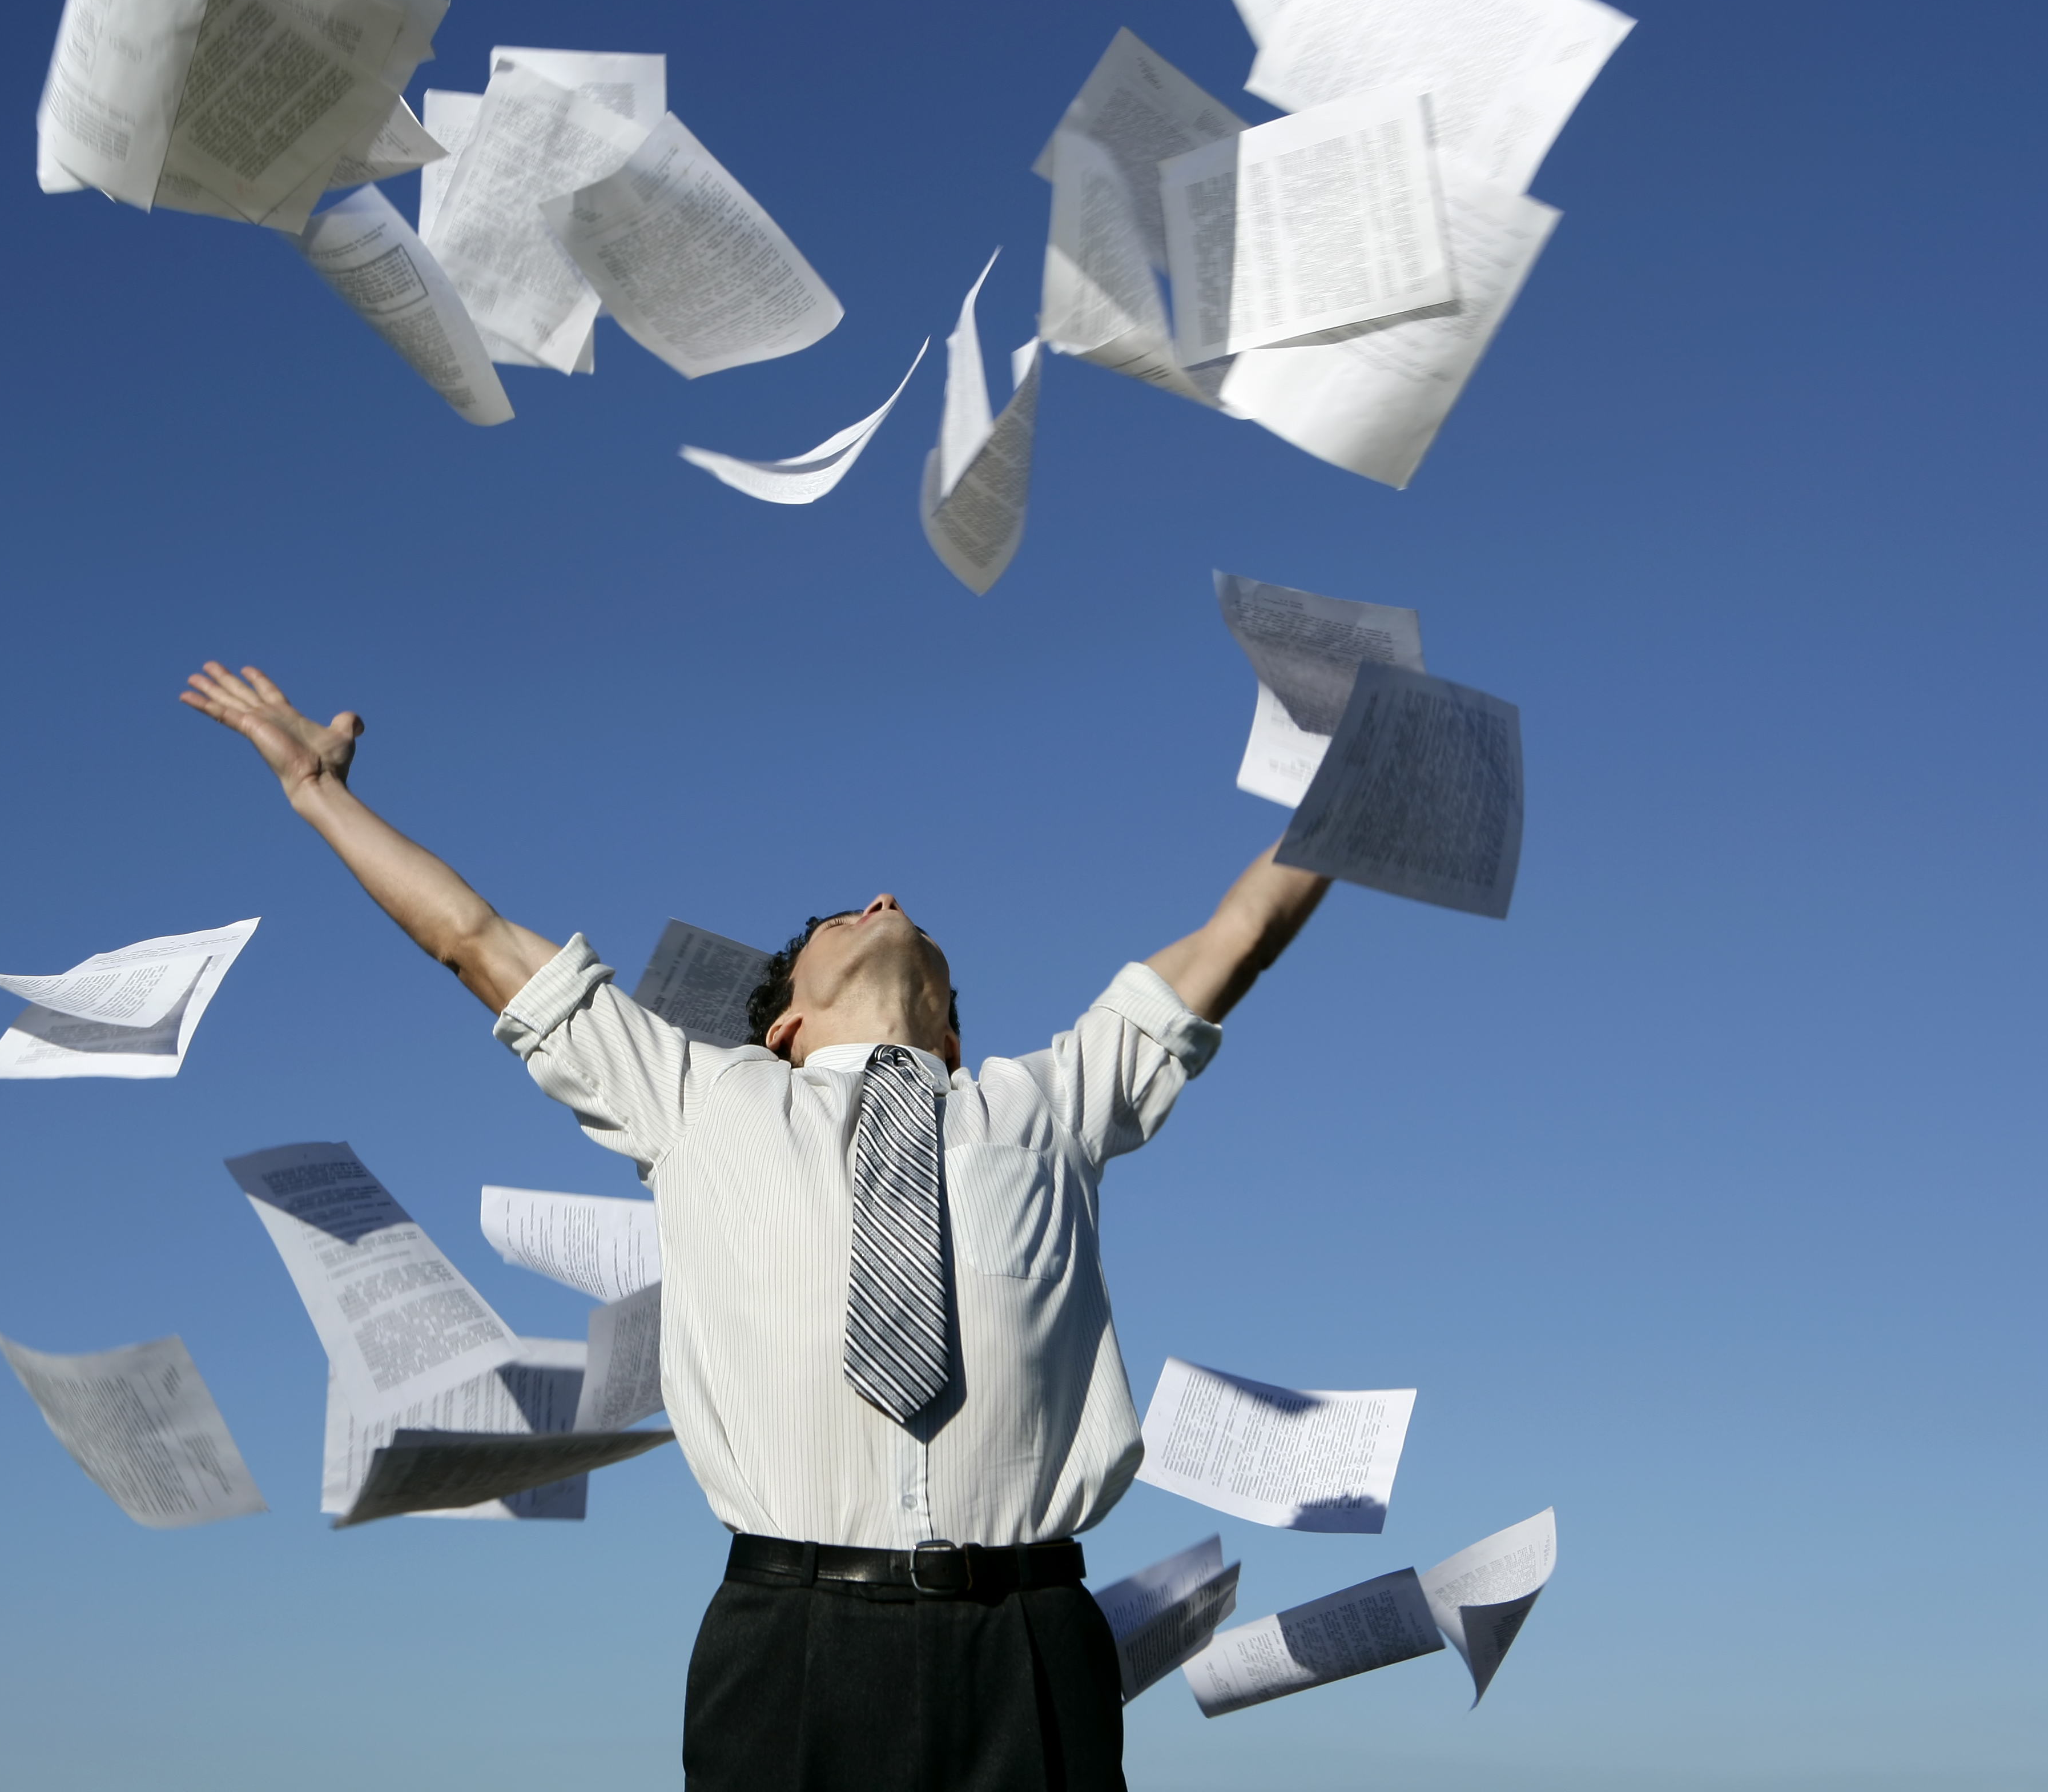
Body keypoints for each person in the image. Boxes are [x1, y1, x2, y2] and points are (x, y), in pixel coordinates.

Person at [182, 661, 1331, 1792]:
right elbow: (476, 938)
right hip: (792, 1638)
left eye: (898, 910)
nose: (884, 897)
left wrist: (1358, 791)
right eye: (846, 912)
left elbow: (1239, 934)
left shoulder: (1049, 1099)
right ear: (782, 1023)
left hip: (1032, 1640)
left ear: (952, 1031)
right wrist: (319, 792)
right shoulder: (696, 1094)